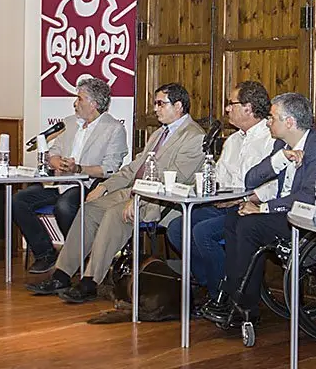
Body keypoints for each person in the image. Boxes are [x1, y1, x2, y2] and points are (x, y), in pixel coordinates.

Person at [27, 83, 206, 302]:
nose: (156, 109)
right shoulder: (160, 133)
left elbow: (173, 181)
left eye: (161, 104)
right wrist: (104, 186)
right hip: (136, 190)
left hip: (161, 202)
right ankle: (62, 274)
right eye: (155, 103)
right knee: (90, 208)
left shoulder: (195, 137)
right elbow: (133, 169)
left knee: (114, 214)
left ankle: (90, 281)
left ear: (178, 106)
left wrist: (138, 200)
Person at [203, 92, 316, 325]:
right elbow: (252, 179)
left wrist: (263, 209)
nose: (268, 122)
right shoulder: (282, 145)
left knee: (250, 225)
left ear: (289, 122)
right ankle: (233, 295)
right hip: (288, 215)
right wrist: (279, 158)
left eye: (272, 118)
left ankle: (245, 306)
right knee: (234, 217)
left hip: (311, 223)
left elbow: (309, 198)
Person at [165, 81, 277, 303]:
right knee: (176, 228)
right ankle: (214, 282)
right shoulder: (234, 140)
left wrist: (241, 199)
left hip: (252, 208)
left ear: (248, 107)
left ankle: (222, 298)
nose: (227, 109)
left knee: (202, 233)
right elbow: (219, 176)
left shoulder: (271, 138)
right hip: (224, 204)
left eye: (231, 103)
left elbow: (273, 186)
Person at [14, 77, 128, 274]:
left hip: (87, 185)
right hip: (59, 182)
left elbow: (110, 168)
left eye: (80, 99)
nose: (75, 103)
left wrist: (78, 169)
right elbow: (53, 152)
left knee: (65, 206)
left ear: (93, 104)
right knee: (19, 200)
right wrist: (56, 161)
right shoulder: (68, 123)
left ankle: (79, 257)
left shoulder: (114, 129)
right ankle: (45, 254)